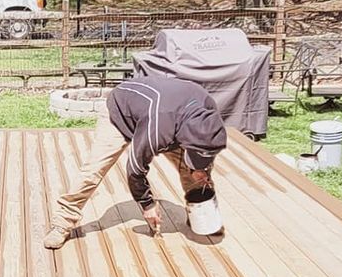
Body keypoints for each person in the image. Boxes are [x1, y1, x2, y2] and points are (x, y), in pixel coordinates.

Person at [44, 73, 227, 248]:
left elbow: (205, 154)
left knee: (198, 175)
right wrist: (147, 204)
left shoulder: (208, 114)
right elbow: (135, 168)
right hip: (120, 114)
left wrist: (201, 170)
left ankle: (201, 216)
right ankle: (62, 222)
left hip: (168, 117)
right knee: (94, 169)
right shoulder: (159, 128)